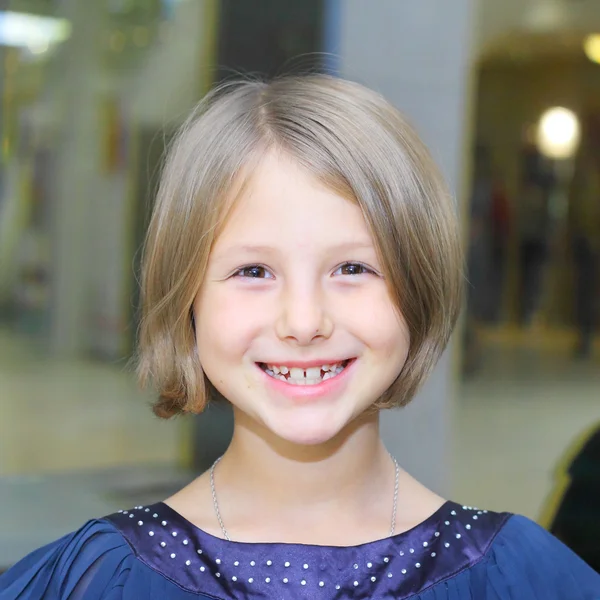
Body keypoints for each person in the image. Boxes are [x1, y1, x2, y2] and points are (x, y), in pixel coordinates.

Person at [1, 75, 598, 599]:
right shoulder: (96, 579)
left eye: (352, 269)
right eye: (253, 272)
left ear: (417, 289)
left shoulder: (519, 576)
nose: (305, 320)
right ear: (187, 300)